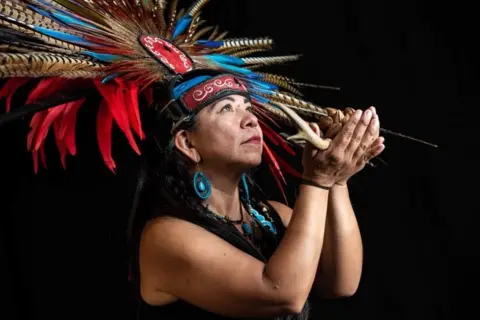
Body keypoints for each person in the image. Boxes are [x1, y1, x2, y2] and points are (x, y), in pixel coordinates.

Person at [0, 1, 384, 319]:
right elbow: (282, 293)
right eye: (226, 110)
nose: (250, 119)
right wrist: (316, 182)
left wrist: (337, 178)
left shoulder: (276, 217)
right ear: (186, 142)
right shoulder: (166, 236)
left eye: (248, 107)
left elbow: (341, 282)